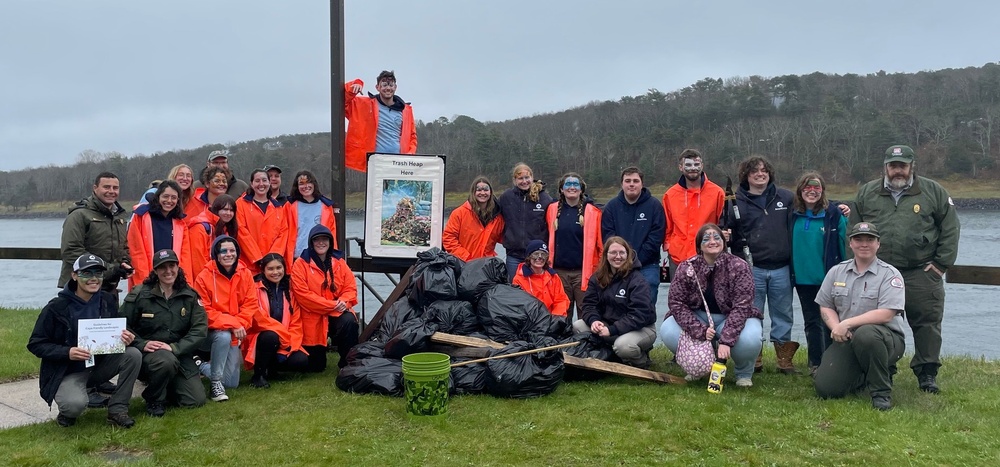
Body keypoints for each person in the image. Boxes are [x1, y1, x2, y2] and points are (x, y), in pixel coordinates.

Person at [849, 144, 960, 394]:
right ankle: (883, 368)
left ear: (912, 166)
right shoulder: (867, 192)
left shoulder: (934, 191)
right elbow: (853, 231)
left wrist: (941, 264)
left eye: (902, 165)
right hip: (878, 272)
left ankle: (927, 372)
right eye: (893, 165)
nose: (897, 170)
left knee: (927, 323)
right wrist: (858, 267)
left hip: (921, 271)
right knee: (877, 323)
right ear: (885, 167)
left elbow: (951, 228)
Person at [28, 254, 141, 428]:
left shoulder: (107, 300)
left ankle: (117, 410)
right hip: (68, 371)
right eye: (86, 273)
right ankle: (67, 411)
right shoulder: (56, 307)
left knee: (133, 354)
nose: (93, 278)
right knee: (74, 406)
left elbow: (119, 327)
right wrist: (68, 352)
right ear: (74, 275)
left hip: (98, 367)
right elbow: (36, 343)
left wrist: (128, 336)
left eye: (98, 273)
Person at [814, 222, 907, 411]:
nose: (864, 244)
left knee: (866, 334)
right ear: (851, 243)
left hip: (886, 340)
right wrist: (835, 327)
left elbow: (886, 314)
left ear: (878, 244)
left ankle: (881, 392)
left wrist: (846, 323)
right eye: (859, 240)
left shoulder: (890, 275)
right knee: (827, 389)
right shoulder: (836, 271)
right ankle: (864, 374)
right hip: (847, 338)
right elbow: (825, 305)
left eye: (870, 240)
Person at [659, 224, 764, 386]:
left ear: (723, 242)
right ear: (699, 245)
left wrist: (726, 340)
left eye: (717, 237)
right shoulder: (687, 267)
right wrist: (699, 330)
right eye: (706, 239)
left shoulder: (739, 266)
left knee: (750, 338)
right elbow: (676, 302)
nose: (712, 241)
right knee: (668, 329)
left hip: (731, 317)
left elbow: (743, 306)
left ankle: (743, 373)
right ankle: (697, 367)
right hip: (698, 317)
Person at [728, 156, 799, 374]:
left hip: (781, 267)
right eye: (754, 171)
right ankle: (754, 356)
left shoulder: (786, 197)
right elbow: (726, 234)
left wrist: (839, 207)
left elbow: (811, 206)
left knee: (783, 315)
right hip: (751, 269)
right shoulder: (734, 201)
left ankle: (783, 359)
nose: (760, 174)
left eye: (764, 170)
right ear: (745, 175)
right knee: (752, 314)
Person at [121, 249, 208, 417]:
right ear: (155, 270)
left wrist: (175, 348)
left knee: (195, 401)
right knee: (165, 362)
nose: (168, 271)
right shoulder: (140, 294)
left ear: (178, 267)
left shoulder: (189, 296)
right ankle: (155, 399)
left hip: (179, 353)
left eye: (172, 266)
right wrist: (142, 343)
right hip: (148, 355)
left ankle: (166, 386)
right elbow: (122, 325)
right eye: (162, 267)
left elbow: (199, 330)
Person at [790, 172, 847, 376]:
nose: (811, 192)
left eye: (816, 188)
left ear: (822, 191)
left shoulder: (834, 215)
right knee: (811, 322)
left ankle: (833, 363)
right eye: (807, 188)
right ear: (800, 190)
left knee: (830, 323)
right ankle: (815, 363)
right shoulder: (792, 213)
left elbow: (846, 245)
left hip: (829, 279)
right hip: (803, 280)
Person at [193, 236, 260, 402]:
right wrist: (234, 324)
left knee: (231, 383)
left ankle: (199, 364)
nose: (228, 254)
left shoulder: (245, 274)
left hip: (233, 333)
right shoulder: (203, 277)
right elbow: (204, 312)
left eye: (232, 251)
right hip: (208, 335)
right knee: (222, 335)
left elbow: (251, 304)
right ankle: (215, 384)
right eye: (223, 251)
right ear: (216, 253)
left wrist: (237, 325)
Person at [575, 236, 657, 369]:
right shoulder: (597, 278)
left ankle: (641, 362)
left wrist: (613, 329)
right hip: (608, 326)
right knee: (578, 325)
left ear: (628, 255)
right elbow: (589, 305)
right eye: (613, 252)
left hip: (641, 328)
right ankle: (609, 356)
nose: (617, 257)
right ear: (606, 255)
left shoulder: (638, 281)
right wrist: (594, 320)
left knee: (623, 346)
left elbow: (640, 314)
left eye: (622, 253)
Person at [290, 225, 359, 372]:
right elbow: (303, 296)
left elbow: (350, 288)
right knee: (316, 367)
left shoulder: (340, 262)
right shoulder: (300, 264)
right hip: (312, 317)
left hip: (337, 312)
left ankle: (347, 362)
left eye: (325, 239)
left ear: (330, 242)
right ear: (311, 242)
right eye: (317, 240)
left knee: (349, 322)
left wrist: (344, 302)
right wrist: (332, 305)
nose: (321, 243)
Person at [601, 166, 666, 305]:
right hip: (617, 264)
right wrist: (622, 259)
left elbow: (655, 238)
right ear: (622, 184)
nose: (631, 184)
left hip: (647, 265)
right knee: (616, 305)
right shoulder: (611, 207)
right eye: (628, 180)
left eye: (635, 181)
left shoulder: (654, 206)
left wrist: (634, 260)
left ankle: (646, 326)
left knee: (645, 306)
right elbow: (608, 237)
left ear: (642, 184)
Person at [59, 172, 132, 293]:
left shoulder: (119, 217)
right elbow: (71, 251)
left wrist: (124, 264)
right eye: (106, 187)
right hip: (81, 287)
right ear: (95, 188)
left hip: (109, 286)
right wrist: (108, 270)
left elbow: (122, 247)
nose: (111, 191)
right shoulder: (79, 215)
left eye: (115, 188)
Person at [244, 253, 310, 388]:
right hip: (260, 338)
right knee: (270, 336)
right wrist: (284, 338)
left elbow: (296, 324)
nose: (275, 272)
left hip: (284, 343)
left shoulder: (290, 291)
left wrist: (289, 346)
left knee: (301, 361)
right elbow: (258, 320)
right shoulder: (254, 288)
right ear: (263, 270)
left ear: (284, 269)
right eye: (270, 269)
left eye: (279, 268)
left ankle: (272, 370)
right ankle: (259, 375)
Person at [545, 172, 602, 320]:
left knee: (587, 312)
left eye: (575, 184)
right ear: (561, 189)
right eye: (568, 184)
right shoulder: (552, 210)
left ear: (581, 189)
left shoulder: (593, 212)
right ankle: (564, 342)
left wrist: (600, 271)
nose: (572, 187)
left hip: (584, 273)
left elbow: (601, 245)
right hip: (559, 272)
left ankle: (586, 342)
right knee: (562, 313)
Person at [344, 70, 418, 172]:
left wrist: (409, 155)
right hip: (375, 163)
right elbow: (343, 102)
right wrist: (355, 84)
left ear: (395, 87)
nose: (388, 88)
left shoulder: (406, 110)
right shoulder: (365, 105)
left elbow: (412, 136)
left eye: (391, 85)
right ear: (377, 87)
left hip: (398, 164)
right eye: (384, 85)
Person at [661, 149, 725, 267]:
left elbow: (723, 222)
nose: (693, 168)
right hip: (678, 257)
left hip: (708, 255)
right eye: (688, 165)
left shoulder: (717, 193)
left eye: (696, 164)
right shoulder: (670, 195)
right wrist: (669, 246)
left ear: (702, 165)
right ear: (681, 167)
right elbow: (667, 226)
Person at [497, 163, 554, 281]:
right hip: (514, 255)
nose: (524, 181)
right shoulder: (506, 197)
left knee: (537, 291)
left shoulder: (544, 198)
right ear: (514, 180)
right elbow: (493, 216)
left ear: (532, 178)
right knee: (515, 290)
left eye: (527, 178)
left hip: (537, 255)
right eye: (520, 178)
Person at [127, 180, 186, 290]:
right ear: (158, 197)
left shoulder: (180, 223)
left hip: (172, 279)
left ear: (178, 201)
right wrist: (144, 283)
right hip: (148, 278)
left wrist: (184, 284)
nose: (169, 201)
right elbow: (136, 252)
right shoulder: (141, 217)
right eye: (165, 196)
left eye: (173, 198)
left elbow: (185, 257)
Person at [237, 169, 289, 274]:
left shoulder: (278, 207)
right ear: (251, 184)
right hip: (249, 265)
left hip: (273, 267)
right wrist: (257, 258)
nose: (261, 184)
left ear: (269, 183)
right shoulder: (241, 204)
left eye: (264, 180)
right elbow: (241, 231)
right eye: (257, 181)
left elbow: (283, 233)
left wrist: (272, 259)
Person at [442, 176, 504, 262]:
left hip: (486, 265)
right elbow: (448, 239)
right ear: (473, 192)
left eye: (486, 189)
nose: (482, 193)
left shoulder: (497, 217)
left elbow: (504, 238)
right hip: (463, 263)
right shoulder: (459, 213)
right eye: (479, 190)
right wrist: (466, 258)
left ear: (490, 192)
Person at [286, 170, 339, 261]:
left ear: (314, 184)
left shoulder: (326, 206)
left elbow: (332, 233)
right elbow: (284, 232)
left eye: (309, 182)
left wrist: (333, 255)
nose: (306, 186)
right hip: (297, 257)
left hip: (320, 256)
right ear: (297, 187)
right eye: (301, 183)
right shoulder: (289, 206)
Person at [183, 194, 239, 279]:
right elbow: (197, 261)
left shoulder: (225, 228)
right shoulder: (200, 227)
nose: (228, 213)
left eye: (231, 210)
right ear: (216, 209)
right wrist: (206, 281)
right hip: (205, 280)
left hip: (218, 279)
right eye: (225, 209)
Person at [512, 240, 570, 319]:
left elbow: (561, 300)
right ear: (529, 257)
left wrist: (555, 319)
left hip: (552, 319)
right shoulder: (519, 279)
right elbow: (519, 305)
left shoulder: (553, 276)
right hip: (530, 320)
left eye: (543, 255)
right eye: (536, 254)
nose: (540, 257)